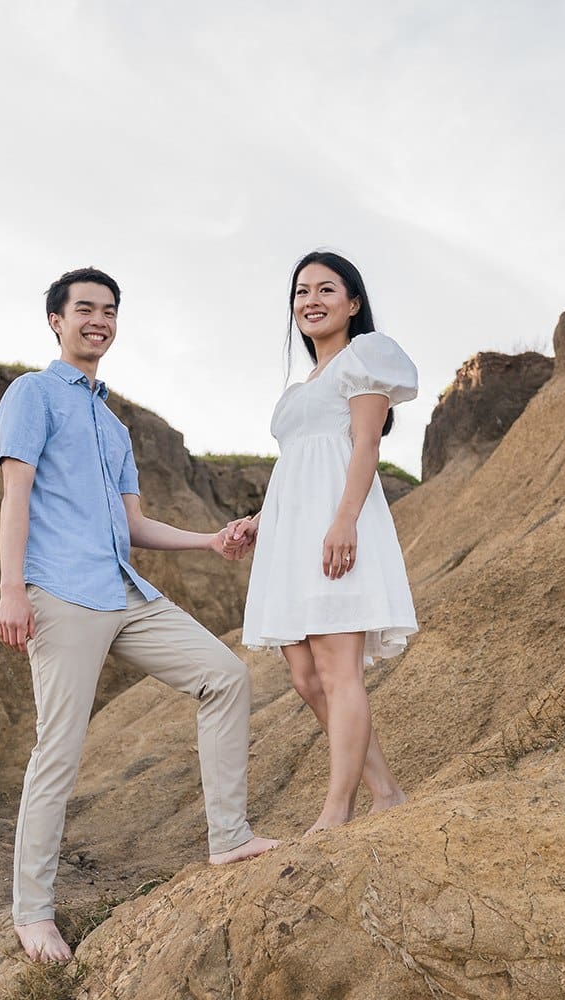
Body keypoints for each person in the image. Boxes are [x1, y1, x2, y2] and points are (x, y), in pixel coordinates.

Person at [0, 266, 279, 963]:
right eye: (85, 309)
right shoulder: (32, 394)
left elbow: (136, 526)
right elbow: (15, 496)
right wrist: (11, 589)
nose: (99, 320)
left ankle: (230, 837)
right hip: (59, 592)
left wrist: (210, 540)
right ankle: (32, 913)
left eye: (110, 311)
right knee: (57, 750)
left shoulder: (114, 425)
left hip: (123, 591)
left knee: (224, 675)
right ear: (56, 322)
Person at [225, 250, 417, 835]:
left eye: (326, 289)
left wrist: (345, 521)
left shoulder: (364, 360)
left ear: (352, 303)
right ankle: (386, 791)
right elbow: (297, 466)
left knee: (339, 673)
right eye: (302, 291)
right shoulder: (299, 387)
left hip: (340, 528)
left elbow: (363, 447)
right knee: (308, 679)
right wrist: (262, 519)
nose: (311, 300)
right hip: (293, 536)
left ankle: (337, 812)